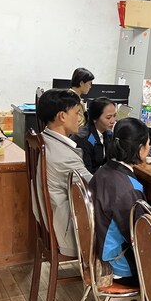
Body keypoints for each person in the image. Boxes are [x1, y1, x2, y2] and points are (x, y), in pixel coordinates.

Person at [89, 118, 149, 286]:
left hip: (96, 250)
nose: (149, 147)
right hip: (118, 265)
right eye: (148, 144)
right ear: (140, 149)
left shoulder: (103, 170)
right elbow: (139, 237)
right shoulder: (130, 190)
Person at [35, 89, 92, 256]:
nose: (80, 118)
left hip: (51, 219)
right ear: (62, 116)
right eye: (77, 113)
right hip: (66, 229)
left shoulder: (44, 138)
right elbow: (96, 188)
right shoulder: (65, 158)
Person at [72, 97, 116, 174]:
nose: (113, 121)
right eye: (108, 117)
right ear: (95, 118)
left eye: (114, 116)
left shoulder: (108, 134)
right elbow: (87, 172)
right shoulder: (82, 139)